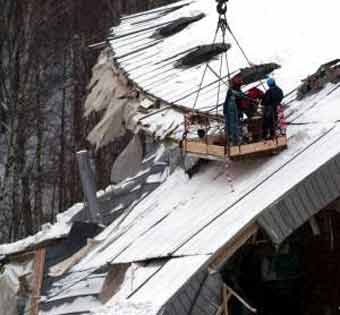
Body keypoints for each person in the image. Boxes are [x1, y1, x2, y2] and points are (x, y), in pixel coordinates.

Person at [223, 77, 245, 145]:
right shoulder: (232, 91)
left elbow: (240, 97)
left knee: (232, 125)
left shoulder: (233, 91)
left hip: (233, 110)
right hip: (233, 111)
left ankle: (233, 139)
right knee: (234, 125)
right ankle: (234, 140)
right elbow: (240, 97)